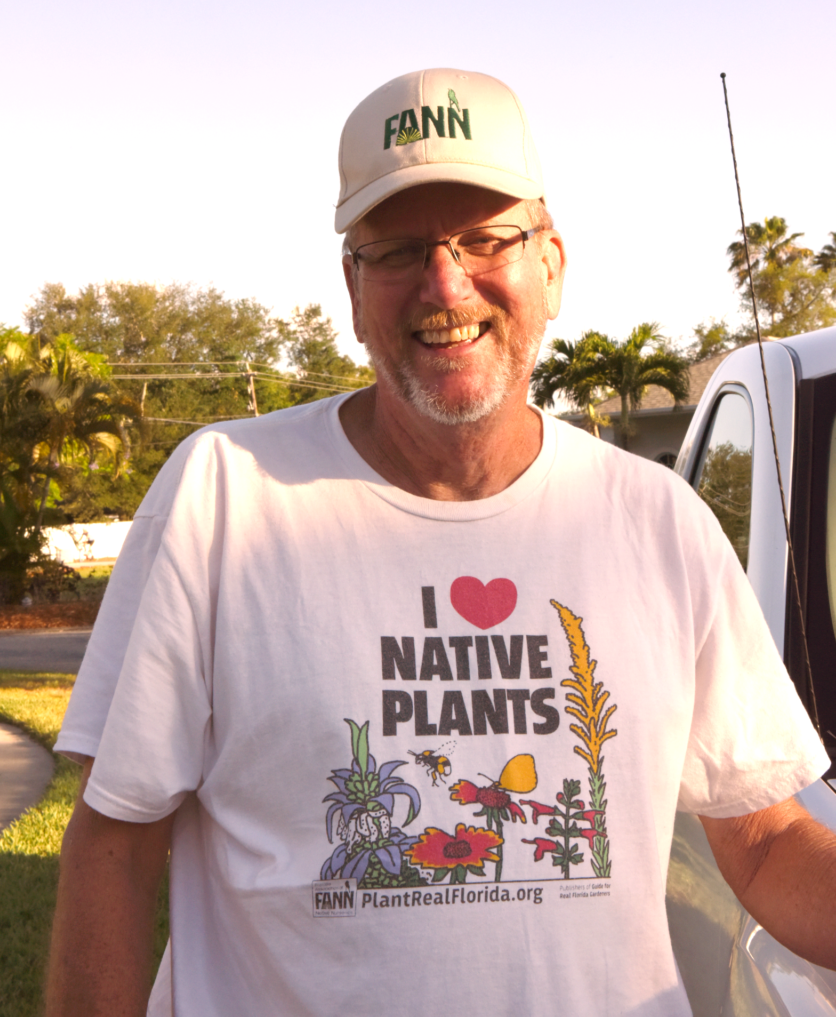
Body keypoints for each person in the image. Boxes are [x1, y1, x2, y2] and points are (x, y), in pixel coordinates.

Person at [47, 68, 835, 1017]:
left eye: (485, 239)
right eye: (399, 249)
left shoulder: (656, 521)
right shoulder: (226, 496)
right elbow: (115, 846)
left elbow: (758, 838)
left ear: (549, 262)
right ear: (352, 283)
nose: (445, 282)